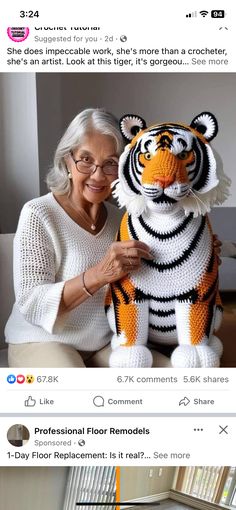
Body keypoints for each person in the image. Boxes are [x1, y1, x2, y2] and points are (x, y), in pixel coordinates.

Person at [5, 108, 222, 368]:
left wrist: (198, 254)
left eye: (109, 163)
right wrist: (99, 275)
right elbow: (31, 303)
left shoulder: (129, 218)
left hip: (108, 341)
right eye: (85, 160)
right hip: (43, 339)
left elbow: (160, 273)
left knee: (172, 381)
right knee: (75, 390)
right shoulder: (39, 213)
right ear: (67, 161)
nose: (98, 175)